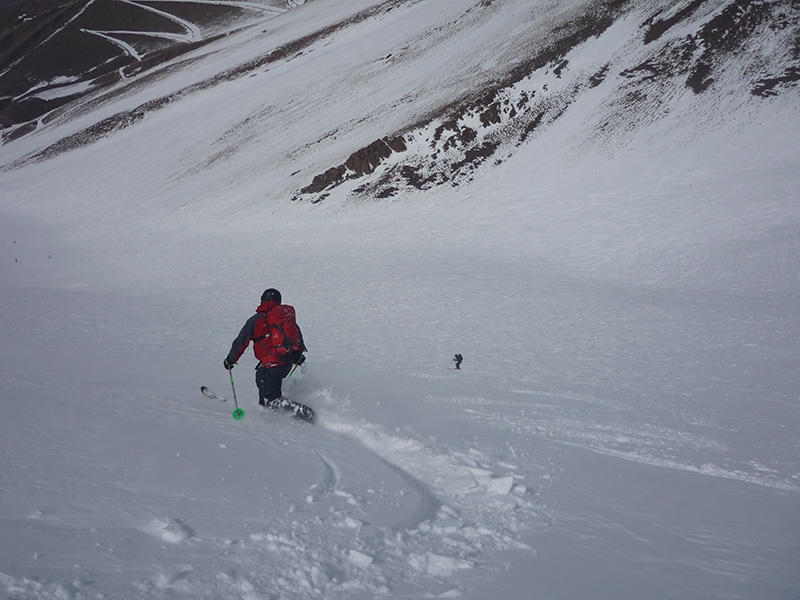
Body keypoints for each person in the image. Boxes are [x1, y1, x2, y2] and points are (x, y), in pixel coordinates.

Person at [223, 288, 306, 410]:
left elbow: (240, 342)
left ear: (263, 301)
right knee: (272, 393)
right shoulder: (285, 319)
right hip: (286, 364)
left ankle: (306, 414)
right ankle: (276, 416)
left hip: (270, 367)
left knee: (270, 400)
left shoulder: (256, 320)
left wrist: (230, 360)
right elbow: (296, 337)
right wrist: (297, 356)